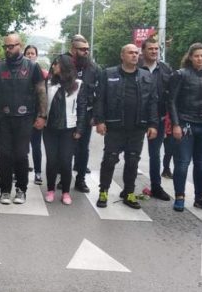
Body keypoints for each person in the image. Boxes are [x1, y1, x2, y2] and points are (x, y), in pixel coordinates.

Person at [0, 33, 47, 205]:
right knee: (5, 155)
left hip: (25, 118)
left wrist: (42, 115)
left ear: (20, 45)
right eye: (6, 46)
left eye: (11, 46)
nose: (8, 49)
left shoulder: (33, 67)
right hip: (3, 118)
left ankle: (21, 189)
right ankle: (5, 190)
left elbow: (41, 92)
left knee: (20, 155)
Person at [94, 44, 158, 209]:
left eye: (136, 53)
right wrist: (99, 121)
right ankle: (103, 192)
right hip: (115, 127)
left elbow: (153, 101)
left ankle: (129, 193)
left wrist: (153, 124)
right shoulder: (108, 74)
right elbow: (100, 99)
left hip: (137, 128)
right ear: (122, 55)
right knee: (109, 160)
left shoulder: (146, 76)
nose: (134, 55)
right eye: (130, 52)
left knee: (132, 161)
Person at [43, 54, 87, 205]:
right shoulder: (48, 83)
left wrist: (79, 129)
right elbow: (41, 103)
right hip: (50, 128)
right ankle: (50, 190)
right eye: (54, 63)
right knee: (51, 160)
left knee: (66, 160)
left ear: (64, 66)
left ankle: (66, 192)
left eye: (57, 63)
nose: (54, 66)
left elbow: (82, 108)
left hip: (69, 129)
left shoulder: (78, 84)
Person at [168, 42, 202, 212]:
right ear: (190, 57)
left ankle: (200, 197)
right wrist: (176, 124)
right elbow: (172, 101)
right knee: (182, 163)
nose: (200, 59)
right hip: (185, 123)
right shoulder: (180, 74)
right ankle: (179, 197)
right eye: (196, 56)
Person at [138, 37, 172, 201]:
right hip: (137, 117)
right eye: (150, 48)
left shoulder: (166, 69)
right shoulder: (136, 67)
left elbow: (171, 94)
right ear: (143, 50)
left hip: (158, 118)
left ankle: (156, 186)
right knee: (132, 153)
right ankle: (128, 188)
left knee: (155, 154)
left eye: (156, 49)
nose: (154, 51)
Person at [66, 34, 100, 194]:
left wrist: (96, 115)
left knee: (83, 149)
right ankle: (64, 178)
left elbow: (100, 94)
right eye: (82, 49)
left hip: (86, 114)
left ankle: (80, 179)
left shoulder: (94, 68)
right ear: (73, 50)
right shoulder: (64, 65)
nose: (85, 52)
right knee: (66, 148)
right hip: (67, 114)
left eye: (87, 49)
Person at [24, 45, 49, 185]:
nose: (30, 55)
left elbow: (44, 96)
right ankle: (20, 170)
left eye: (32, 53)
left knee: (36, 145)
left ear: (36, 55)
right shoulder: (19, 71)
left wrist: (42, 115)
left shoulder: (43, 73)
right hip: (22, 115)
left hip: (36, 114)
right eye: (27, 53)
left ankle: (38, 172)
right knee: (22, 146)